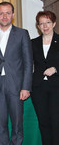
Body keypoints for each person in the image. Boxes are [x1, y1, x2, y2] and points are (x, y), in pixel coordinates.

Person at [0, 1, 33, 145]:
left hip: (17, 87)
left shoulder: (22, 34)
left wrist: (26, 87)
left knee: (17, 126)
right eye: (1, 13)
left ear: (13, 14)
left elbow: (28, 62)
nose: (4, 16)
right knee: (0, 126)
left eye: (8, 13)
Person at [31, 10, 59, 145]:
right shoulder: (33, 43)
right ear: (38, 26)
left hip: (56, 88)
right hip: (38, 88)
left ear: (54, 23)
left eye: (48, 22)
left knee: (56, 122)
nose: (45, 26)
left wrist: (55, 69)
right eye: (41, 23)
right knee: (43, 123)